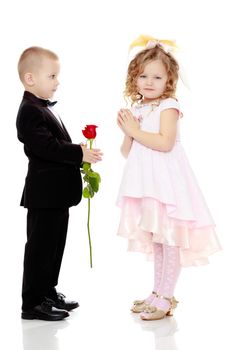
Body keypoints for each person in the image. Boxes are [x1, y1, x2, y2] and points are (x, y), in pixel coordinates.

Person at [116, 35, 221, 321]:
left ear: (169, 81)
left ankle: (166, 297)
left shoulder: (168, 106)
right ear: (134, 79)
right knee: (158, 240)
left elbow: (164, 142)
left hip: (167, 187)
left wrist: (136, 132)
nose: (149, 82)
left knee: (170, 238)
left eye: (157, 77)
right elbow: (128, 152)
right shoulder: (139, 108)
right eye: (143, 76)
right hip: (147, 186)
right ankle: (157, 291)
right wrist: (128, 131)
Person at [16, 46, 102, 321]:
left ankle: (48, 292)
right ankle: (32, 302)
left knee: (55, 247)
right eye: (52, 76)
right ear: (31, 79)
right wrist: (78, 153)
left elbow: (55, 145)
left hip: (57, 195)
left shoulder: (41, 108)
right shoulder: (29, 110)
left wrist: (77, 151)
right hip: (44, 195)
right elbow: (46, 147)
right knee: (40, 248)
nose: (57, 82)